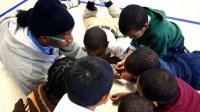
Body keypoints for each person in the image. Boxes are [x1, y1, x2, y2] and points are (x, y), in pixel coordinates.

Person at [0, 0, 86, 94]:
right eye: (66, 35)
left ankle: (68, 3)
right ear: (44, 38)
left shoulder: (38, 21)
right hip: (6, 34)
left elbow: (75, 50)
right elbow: (43, 97)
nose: (71, 39)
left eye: (71, 32)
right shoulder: (30, 74)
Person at [116, 4, 185, 69]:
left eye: (132, 36)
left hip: (172, 46)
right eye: (128, 36)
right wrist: (127, 60)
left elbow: (156, 58)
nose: (130, 38)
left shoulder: (160, 35)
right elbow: (135, 41)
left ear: (146, 26)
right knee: (133, 56)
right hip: (150, 38)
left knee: (157, 66)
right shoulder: (138, 19)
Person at [123, 47, 200, 90]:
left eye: (134, 75)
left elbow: (147, 94)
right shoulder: (151, 59)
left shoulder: (161, 81)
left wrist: (132, 79)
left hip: (194, 76)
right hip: (186, 59)